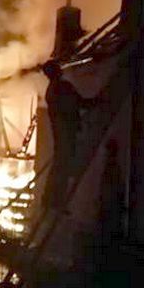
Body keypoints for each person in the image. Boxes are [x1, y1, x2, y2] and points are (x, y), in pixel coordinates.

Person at [42, 61, 97, 210]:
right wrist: (98, 101)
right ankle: (57, 201)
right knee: (63, 167)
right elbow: (78, 103)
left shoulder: (50, 90)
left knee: (58, 166)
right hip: (67, 132)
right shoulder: (62, 87)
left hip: (60, 133)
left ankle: (49, 199)